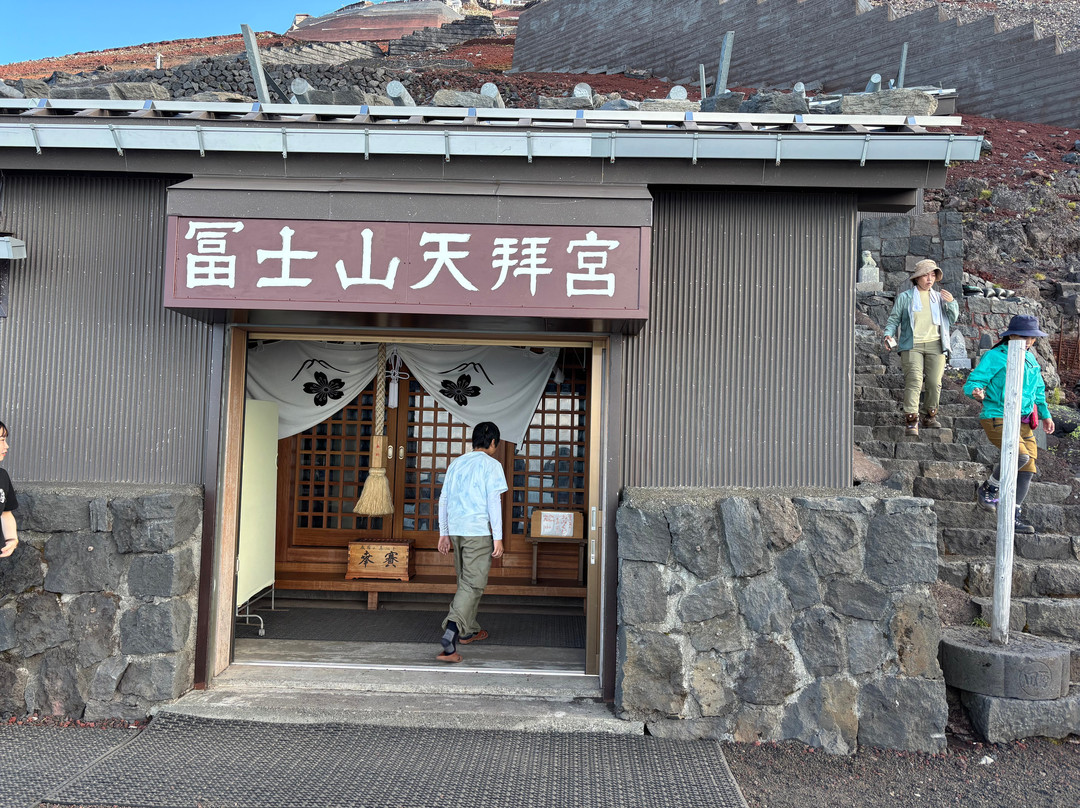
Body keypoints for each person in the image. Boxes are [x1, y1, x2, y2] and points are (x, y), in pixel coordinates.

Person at [963, 314, 1055, 534]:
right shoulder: (995, 356)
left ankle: (1014, 514)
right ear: (1011, 335)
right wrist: (976, 392)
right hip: (996, 415)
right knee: (1019, 456)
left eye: (1032, 338)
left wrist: (1045, 415)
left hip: (1022, 421)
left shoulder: (1031, 360)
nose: (1029, 341)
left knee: (1028, 466)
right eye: (1024, 336)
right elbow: (973, 382)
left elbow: (1038, 392)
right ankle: (989, 488)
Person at [436, 421, 508, 663]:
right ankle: (451, 633)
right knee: (473, 584)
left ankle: (470, 630)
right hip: (477, 531)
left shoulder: (456, 463)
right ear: (492, 443)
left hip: (456, 530)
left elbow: (443, 499)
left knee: (465, 581)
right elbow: (493, 503)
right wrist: (497, 537)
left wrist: (443, 533)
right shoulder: (492, 465)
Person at [883, 259, 960, 436]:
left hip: (936, 344)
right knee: (915, 380)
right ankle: (911, 419)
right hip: (912, 345)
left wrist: (952, 303)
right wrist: (888, 334)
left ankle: (930, 415)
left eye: (932, 275)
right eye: (925, 275)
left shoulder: (940, 297)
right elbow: (894, 319)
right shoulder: (905, 297)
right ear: (917, 278)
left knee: (934, 382)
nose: (929, 279)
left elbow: (952, 318)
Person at [0, 421, 18, 559]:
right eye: (1, 440)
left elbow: (5, 513)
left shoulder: (2, 476)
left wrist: (11, 539)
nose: (6, 446)